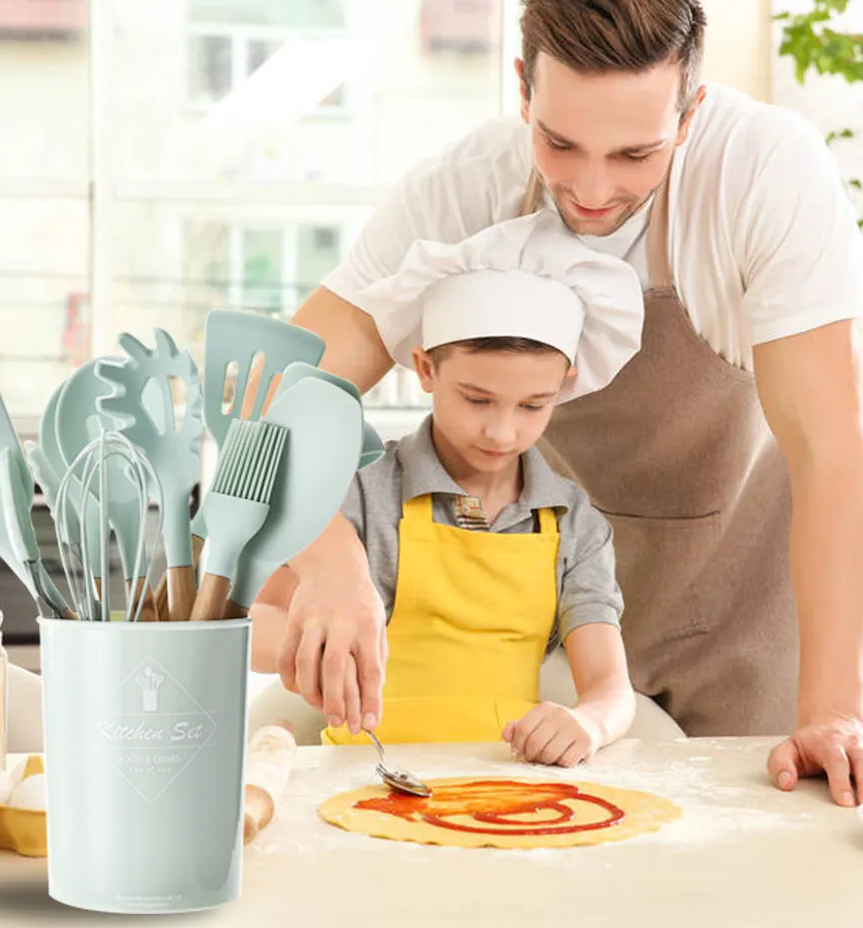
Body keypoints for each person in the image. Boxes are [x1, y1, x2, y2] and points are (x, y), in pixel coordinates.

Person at [275, 0, 863, 805]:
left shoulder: (765, 176)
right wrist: (331, 564)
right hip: (545, 635)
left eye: (636, 156)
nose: (592, 190)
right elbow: (281, 403)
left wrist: (836, 711)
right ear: (522, 86)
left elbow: (831, 456)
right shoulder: (462, 190)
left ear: (692, 112)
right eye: (560, 144)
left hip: (744, 613)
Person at [251, 214, 644, 763]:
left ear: (566, 383)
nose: (502, 432)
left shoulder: (574, 524)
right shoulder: (359, 493)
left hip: (506, 781)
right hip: (362, 773)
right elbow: (259, 624)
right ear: (425, 368)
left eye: (534, 405)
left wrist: (587, 723)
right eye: (477, 399)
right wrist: (317, 647)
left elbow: (609, 687)